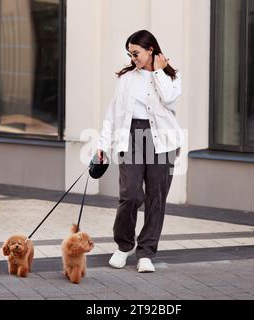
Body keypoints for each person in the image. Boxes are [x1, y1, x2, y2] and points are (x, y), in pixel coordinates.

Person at [95, 30, 184, 273]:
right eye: (130, 53)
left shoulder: (171, 77)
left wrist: (157, 71)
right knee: (131, 194)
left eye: (136, 53)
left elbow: (169, 100)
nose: (133, 57)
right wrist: (102, 144)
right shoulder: (126, 79)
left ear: (150, 50)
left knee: (156, 198)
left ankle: (146, 253)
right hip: (131, 137)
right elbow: (112, 114)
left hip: (163, 141)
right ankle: (124, 246)